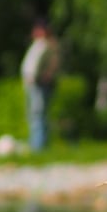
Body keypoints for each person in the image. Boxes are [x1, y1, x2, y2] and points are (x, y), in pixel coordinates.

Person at [21, 19, 61, 152]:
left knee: (38, 114)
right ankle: (36, 143)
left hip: (39, 85)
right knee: (34, 114)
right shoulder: (39, 44)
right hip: (32, 84)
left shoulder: (48, 45)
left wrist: (43, 77)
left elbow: (52, 66)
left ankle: (38, 146)